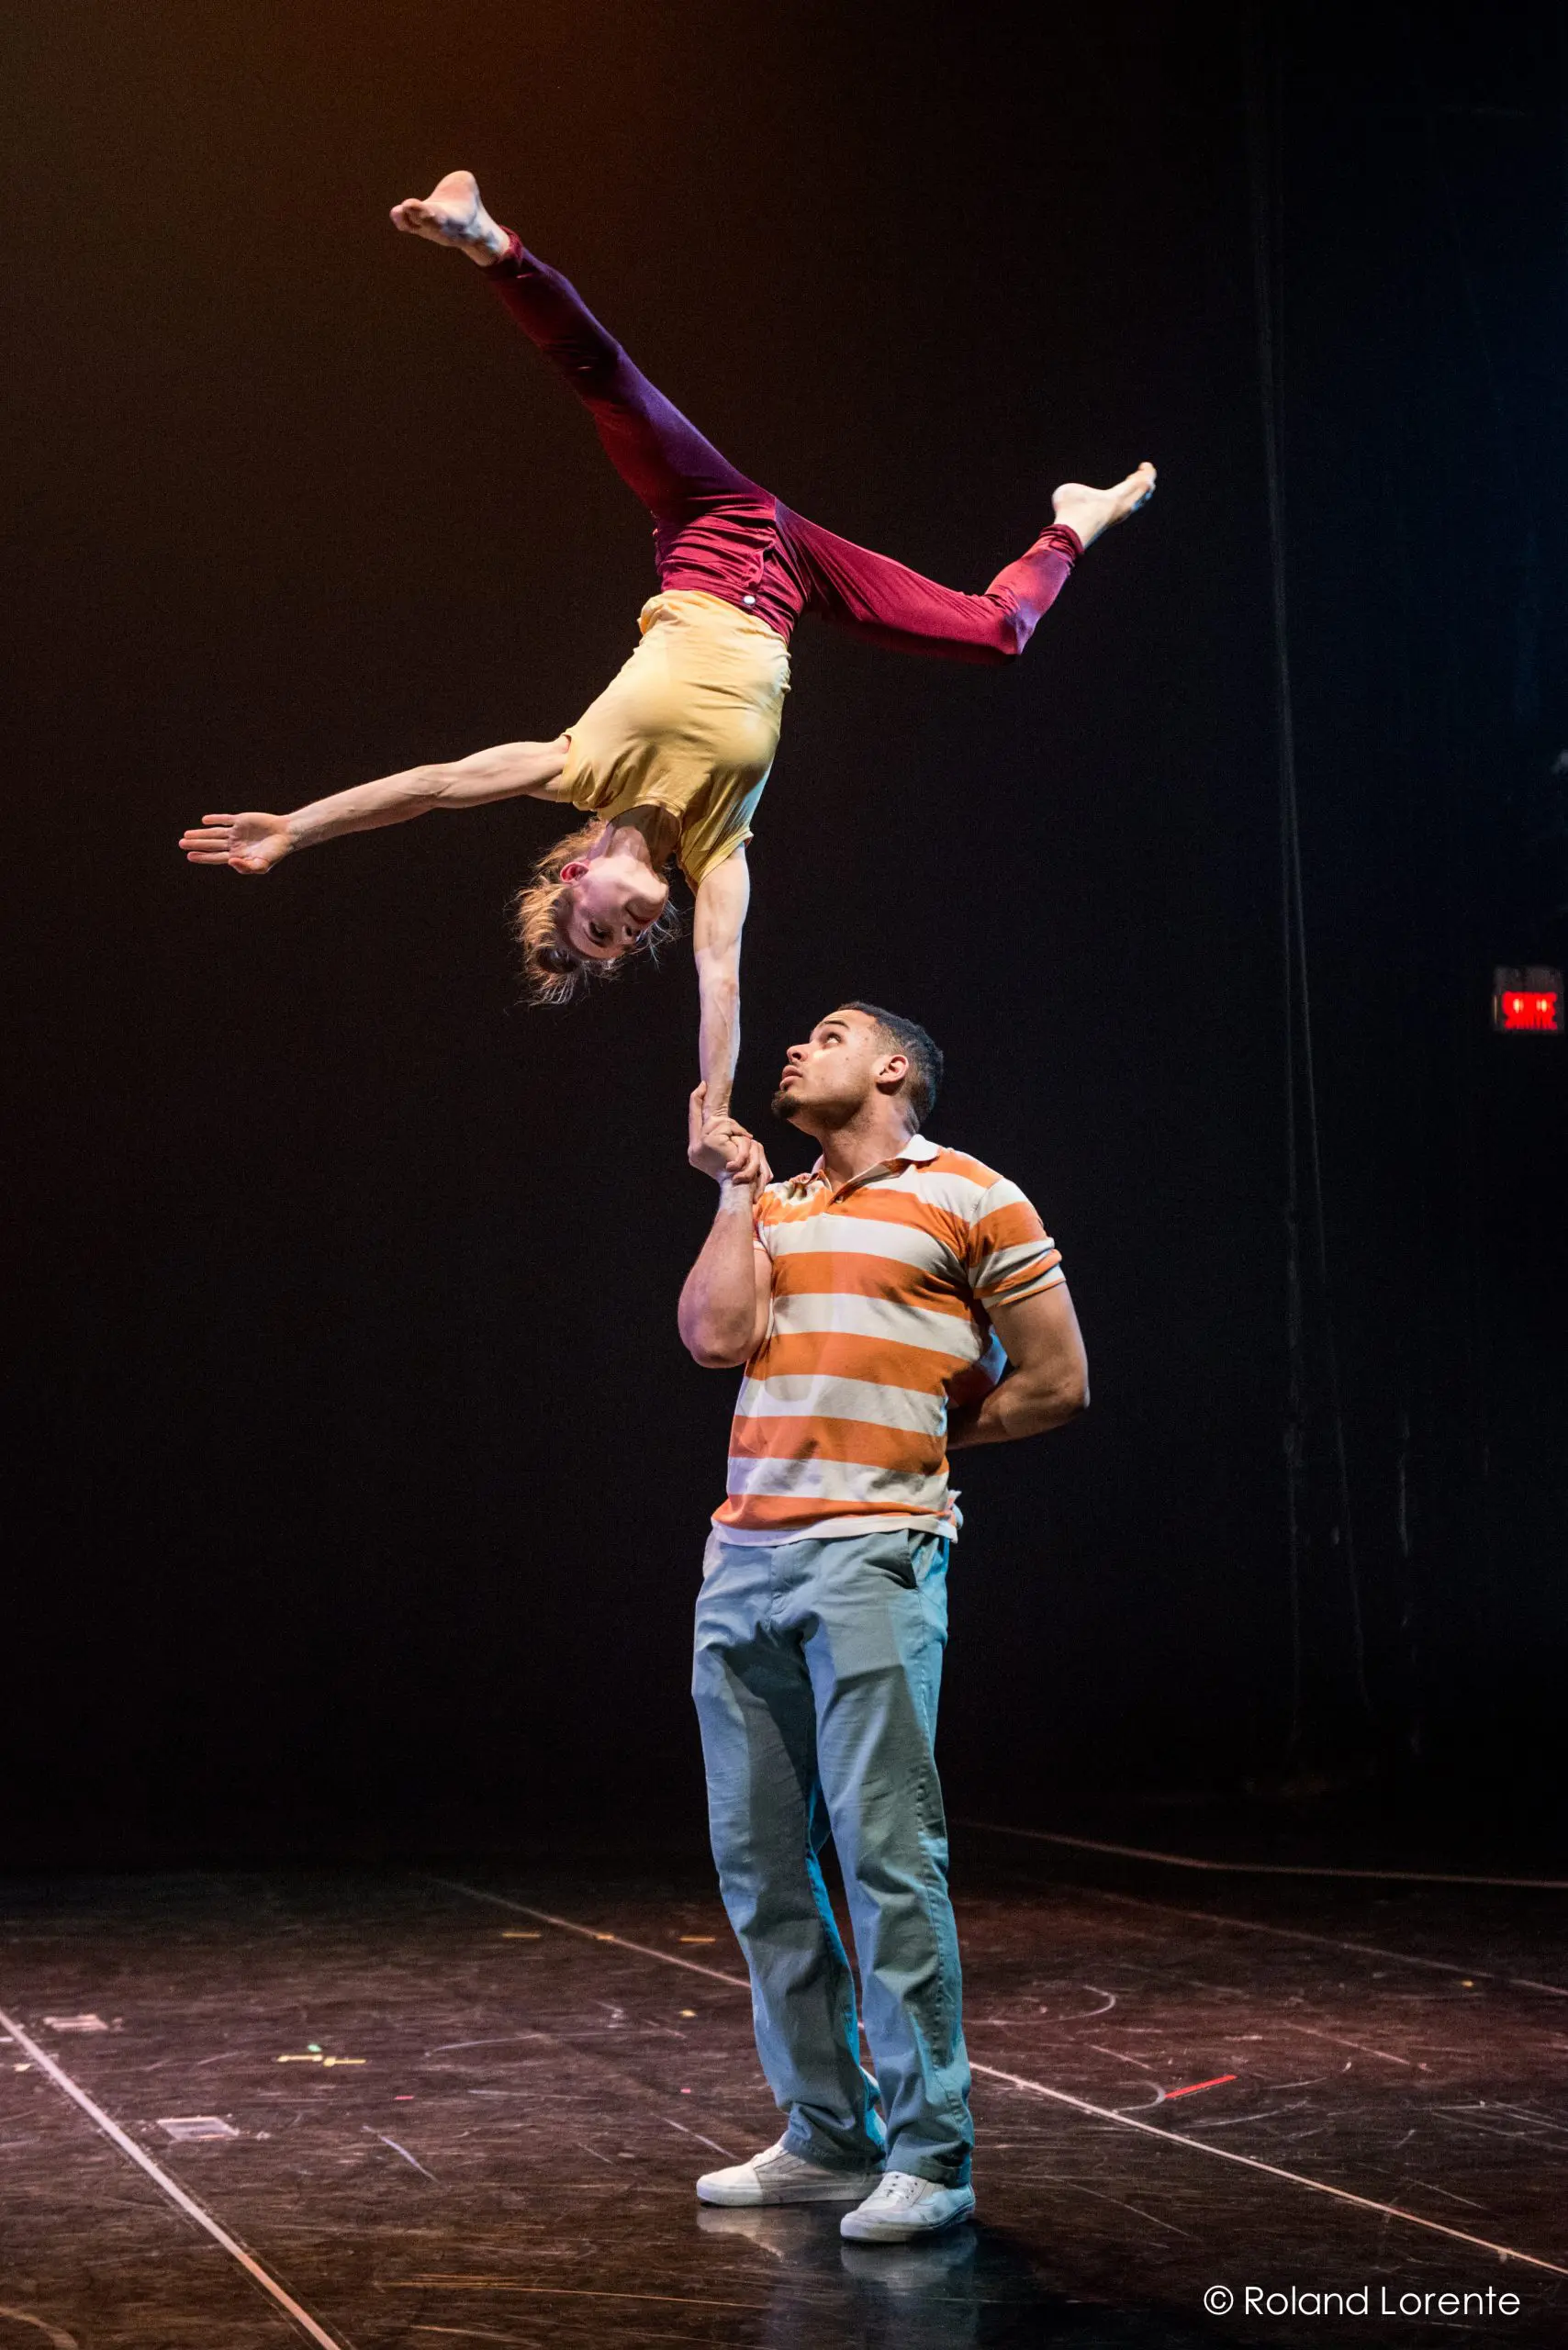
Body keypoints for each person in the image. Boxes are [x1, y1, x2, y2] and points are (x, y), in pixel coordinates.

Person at [180, 172, 1154, 1117]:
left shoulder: (575, 767)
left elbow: (429, 786)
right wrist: (714, 1105)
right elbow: (720, 975)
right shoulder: (716, 849)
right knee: (993, 636)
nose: (632, 927)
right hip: (794, 584)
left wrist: (296, 828)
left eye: (600, 924)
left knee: (609, 387)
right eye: (626, 943)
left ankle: (484, 240)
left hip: (710, 525)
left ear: (573, 874)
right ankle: (1075, 520)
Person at [678, 1003, 1089, 2240]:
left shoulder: (971, 1196)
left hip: (872, 1554)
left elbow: (1059, 1381)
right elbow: (714, 1336)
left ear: (894, 1068)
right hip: (743, 1555)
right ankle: (825, 2134)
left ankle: (932, 2154)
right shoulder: (780, 1206)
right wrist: (733, 1195)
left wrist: (915, 1438)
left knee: (885, 1860)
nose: (796, 1050)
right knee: (759, 1869)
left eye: (829, 1033)